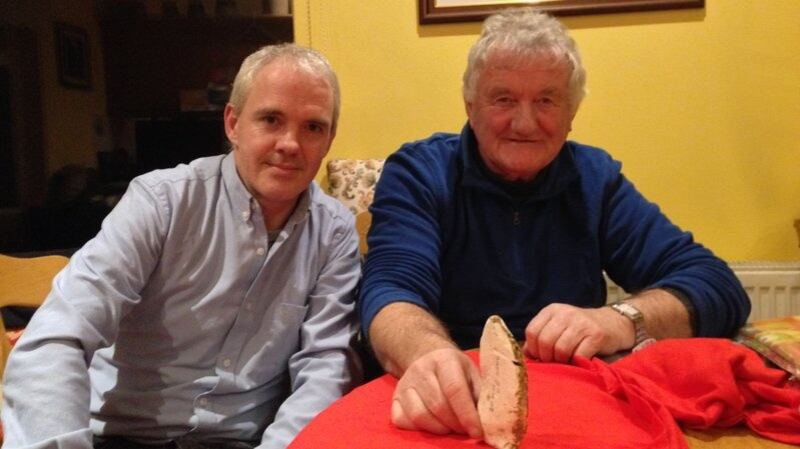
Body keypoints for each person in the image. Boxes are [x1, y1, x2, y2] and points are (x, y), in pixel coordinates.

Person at [358, 7, 750, 441]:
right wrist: (430, 356)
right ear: (470, 106)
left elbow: (716, 284)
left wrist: (619, 319)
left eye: (546, 100)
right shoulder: (419, 172)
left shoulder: (596, 179)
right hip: (450, 402)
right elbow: (390, 293)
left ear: (571, 113)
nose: (525, 123)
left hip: (575, 403)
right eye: (504, 99)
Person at [2, 44, 362, 449]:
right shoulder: (161, 202)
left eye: (313, 126)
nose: (291, 143)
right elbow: (58, 335)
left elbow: (325, 367)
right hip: (121, 436)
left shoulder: (334, 233)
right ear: (233, 123)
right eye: (271, 119)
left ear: (329, 139)